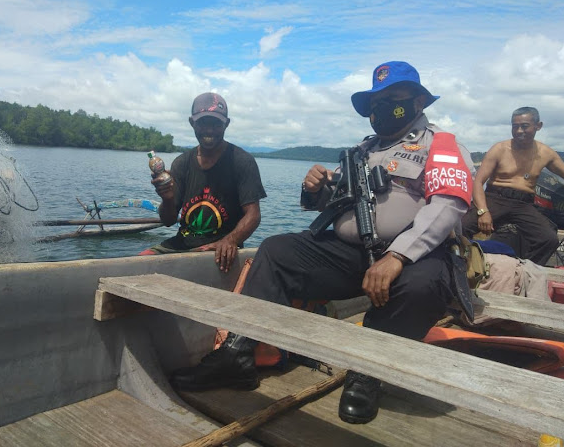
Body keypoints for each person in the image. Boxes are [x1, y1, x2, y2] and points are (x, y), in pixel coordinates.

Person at [169, 61, 475, 424]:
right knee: (277, 250)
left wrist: (397, 256)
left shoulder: (441, 144)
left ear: (419, 102)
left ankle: (367, 373)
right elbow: (335, 205)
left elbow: (448, 205)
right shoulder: (363, 149)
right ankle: (238, 354)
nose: (381, 110)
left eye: (392, 100)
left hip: (412, 257)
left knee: (424, 285)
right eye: (375, 103)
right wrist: (315, 189)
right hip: (352, 253)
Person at [140, 92, 266, 273]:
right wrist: (167, 199)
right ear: (192, 123)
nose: (209, 130)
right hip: (182, 244)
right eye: (203, 123)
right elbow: (167, 221)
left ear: (226, 124)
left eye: (216, 124)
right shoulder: (182, 163)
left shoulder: (242, 161)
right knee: (136, 264)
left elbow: (253, 216)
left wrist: (230, 241)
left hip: (220, 250)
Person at [462, 107, 564, 266]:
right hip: (495, 199)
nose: (518, 131)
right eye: (514, 126)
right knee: (461, 227)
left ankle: (524, 271)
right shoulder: (500, 149)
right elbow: (478, 182)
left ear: (538, 126)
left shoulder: (546, 153)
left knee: (548, 239)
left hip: (524, 204)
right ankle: (461, 268)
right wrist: (483, 211)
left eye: (524, 126)